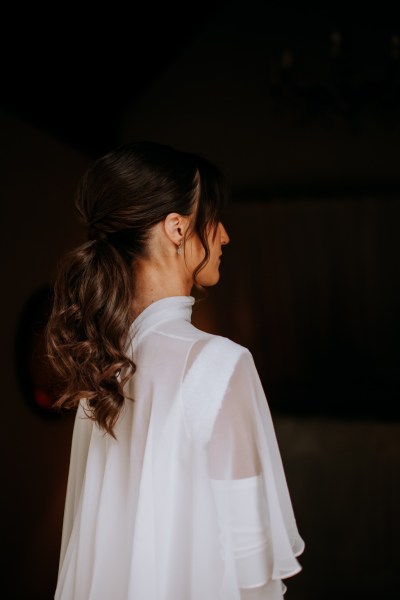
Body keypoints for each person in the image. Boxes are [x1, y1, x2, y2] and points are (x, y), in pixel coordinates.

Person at [46, 141, 304, 600]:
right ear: (177, 228)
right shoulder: (220, 365)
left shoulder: (101, 367)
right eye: (214, 218)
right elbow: (249, 565)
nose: (225, 235)